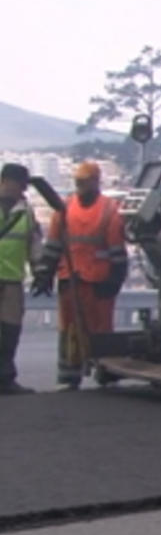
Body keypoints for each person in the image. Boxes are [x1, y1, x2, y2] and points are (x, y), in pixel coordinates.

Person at [34, 162, 128, 391]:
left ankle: (104, 371)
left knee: (101, 328)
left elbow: (117, 249)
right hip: (71, 278)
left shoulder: (109, 209)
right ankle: (69, 375)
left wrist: (115, 278)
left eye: (84, 183)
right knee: (68, 329)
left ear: (96, 182)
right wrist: (44, 273)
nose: (81, 187)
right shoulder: (64, 209)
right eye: (78, 183)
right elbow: (53, 245)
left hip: (98, 281)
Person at [0, 163, 40, 394]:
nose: (22, 190)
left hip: (12, 280)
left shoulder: (25, 212)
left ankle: (5, 379)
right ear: (6, 181)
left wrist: (40, 272)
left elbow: (33, 244)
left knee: (9, 332)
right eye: (20, 184)